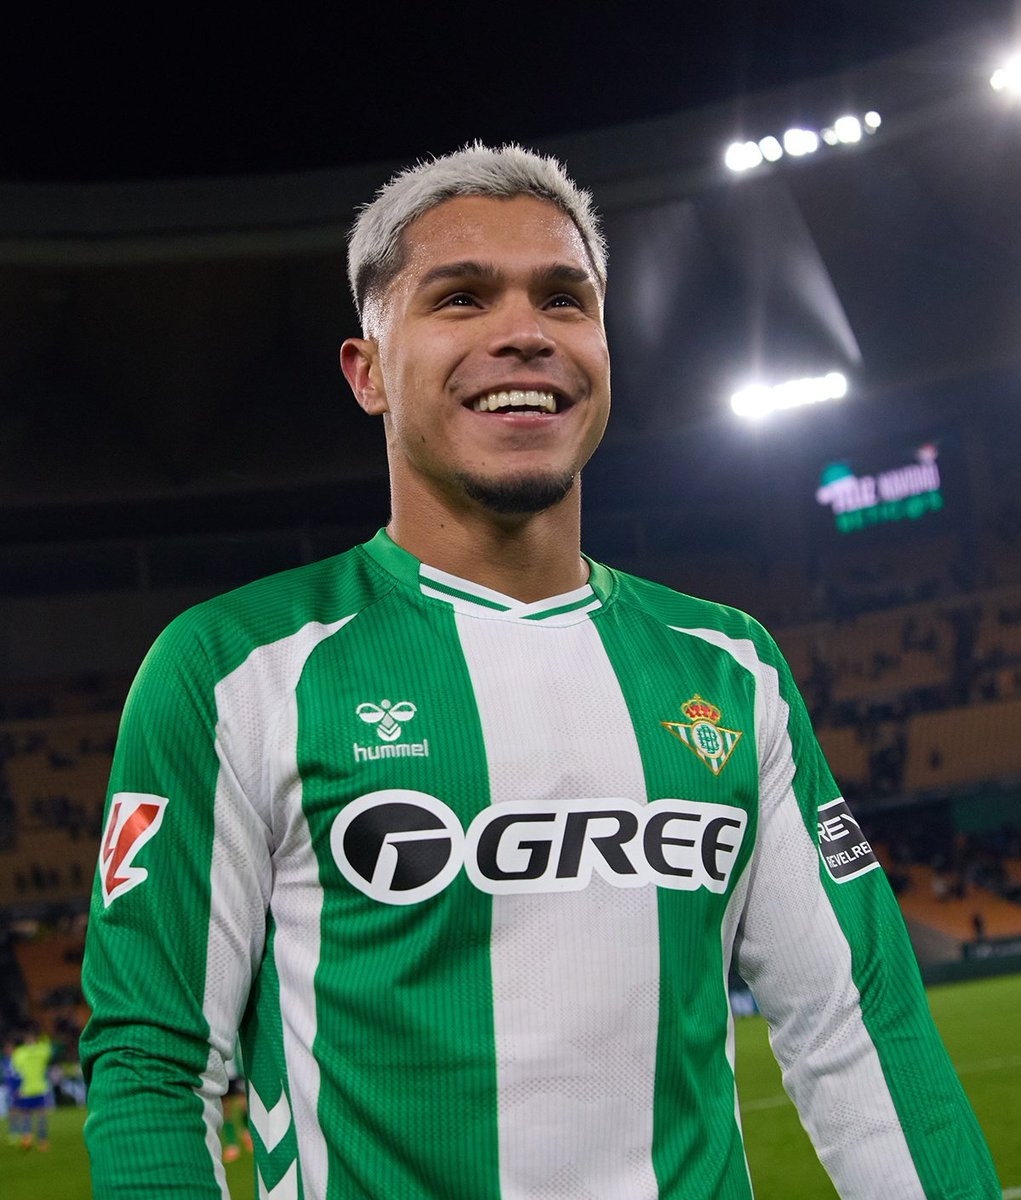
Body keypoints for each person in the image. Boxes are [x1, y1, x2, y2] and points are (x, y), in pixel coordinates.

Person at [80, 143, 1001, 1199]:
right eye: (460, 298)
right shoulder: (232, 670)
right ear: (367, 371)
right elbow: (154, 1064)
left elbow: (857, 1025)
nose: (524, 332)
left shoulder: (730, 667)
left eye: (563, 299)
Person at [9, 1021, 52, 1150]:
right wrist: (43, 1034)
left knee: (27, 1115)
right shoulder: (41, 1050)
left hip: (28, 1089)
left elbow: (15, 1069)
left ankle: (28, 1137)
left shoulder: (20, 1053)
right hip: (38, 1088)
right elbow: (48, 1046)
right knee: (40, 1116)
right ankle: (41, 1141)